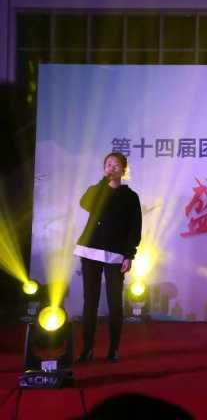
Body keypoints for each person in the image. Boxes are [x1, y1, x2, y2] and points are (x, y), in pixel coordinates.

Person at [74, 152, 142, 362]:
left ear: (124, 169)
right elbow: (85, 203)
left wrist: (129, 255)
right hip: (90, 250)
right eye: (108, 164)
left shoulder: (130, 197)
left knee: (115, 303)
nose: (111, 167)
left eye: (116, 165)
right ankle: (87, 350)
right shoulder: (97, 190)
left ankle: (113, 350)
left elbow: (135, 228)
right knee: (90, 302)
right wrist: (103, 182)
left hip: (116, 254)